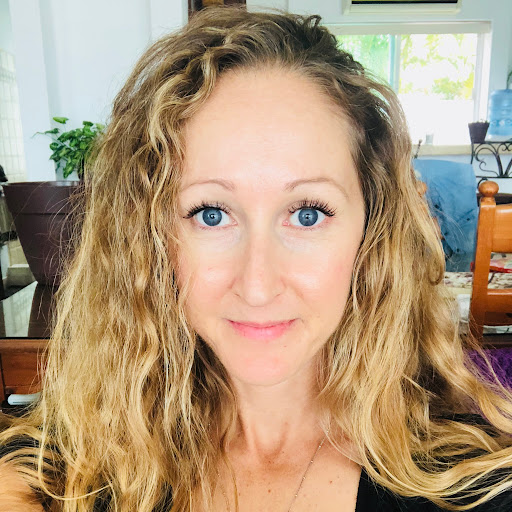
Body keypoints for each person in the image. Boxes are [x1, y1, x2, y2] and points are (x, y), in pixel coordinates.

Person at [1, 6, 512, 511]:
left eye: (308, 214)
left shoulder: (476, 489)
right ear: (149, 237)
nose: (258, 285)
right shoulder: (66, 469)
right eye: (211, 214)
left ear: (372, 230)